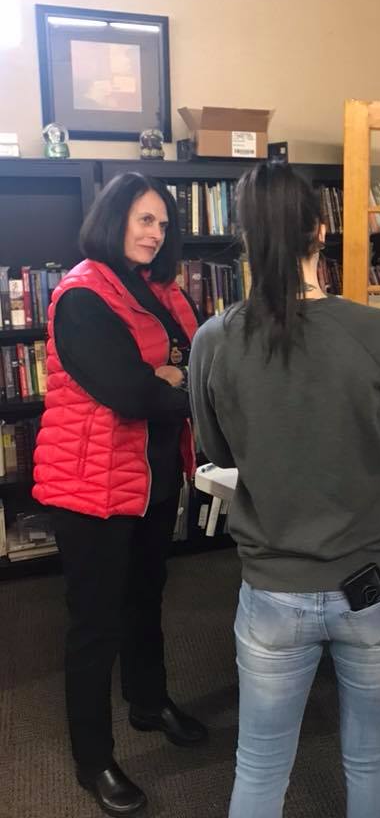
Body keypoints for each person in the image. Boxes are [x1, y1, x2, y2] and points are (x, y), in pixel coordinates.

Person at [189, 163, 380, 818]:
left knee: (259, 766)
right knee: (371, 756)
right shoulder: (374, 331)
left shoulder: (215, 339)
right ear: (321, 230)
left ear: (246, 236)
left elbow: (219, 452)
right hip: (374, 580)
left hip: (274, 586)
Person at [33, 172, 206, 817]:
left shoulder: (159, 289)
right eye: (143, 219)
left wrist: (167, 375)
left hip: (152, 476)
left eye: (162, 222)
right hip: (92, 484)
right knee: (95, 625)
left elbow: (193, 362)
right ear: (114, 220)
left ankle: (148, 702)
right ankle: (93, 759)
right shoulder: (82, 294)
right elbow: (129, 393)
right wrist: (166, 381)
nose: (155, 233)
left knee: (145, 599)